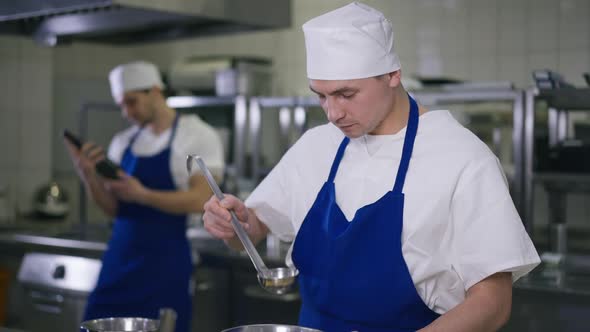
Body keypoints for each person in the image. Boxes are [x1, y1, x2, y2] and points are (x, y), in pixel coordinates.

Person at [203, 2, 542, 332]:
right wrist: (237, 226)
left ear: (393, 75)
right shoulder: (315, 146)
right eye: (321, 96)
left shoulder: (463, 158)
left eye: (346, 94)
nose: (333, 113)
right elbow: (255, 230)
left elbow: (493, 302)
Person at [64, 61, 224, 332]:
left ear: (154, 91)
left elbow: (200, 199)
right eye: (122, 105)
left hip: (164, 268)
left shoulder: (197, 135)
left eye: (132, 102)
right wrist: (88, 175)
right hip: (118, 262)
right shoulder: (123, 141)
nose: (127, 112)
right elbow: (114, 209)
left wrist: (143, 195)